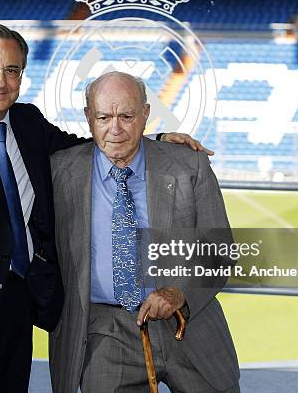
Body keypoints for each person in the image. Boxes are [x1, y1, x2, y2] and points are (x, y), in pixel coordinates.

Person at [0, 23, 207, 392]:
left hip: (15, 307)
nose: (0, 81)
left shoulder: (28, 123)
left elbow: (88, 147)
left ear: (22, 76)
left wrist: (154, 139)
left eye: (12, 70)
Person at [49, 72, 240, 393]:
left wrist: (179, 292)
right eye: (104, 117)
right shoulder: (58, 170)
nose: (116, 128)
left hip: (188, 323)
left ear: (146, 114)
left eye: (127, 116)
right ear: (88, 118)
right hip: (104, 334)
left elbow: (219, 252)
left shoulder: (189, 166)